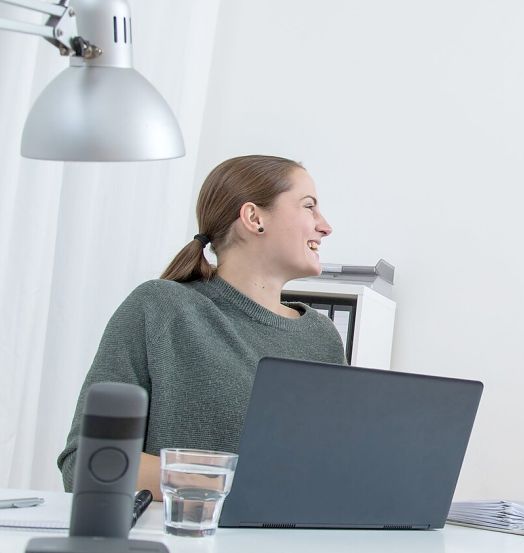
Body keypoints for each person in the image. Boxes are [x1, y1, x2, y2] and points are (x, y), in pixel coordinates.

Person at [57, 155, 346, 498]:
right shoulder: (161, 307)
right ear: (254, 218)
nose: (325, 226)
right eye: (308, 206)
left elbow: (332, 472)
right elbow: (88, 464)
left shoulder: (322, 337)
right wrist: (234, 481)